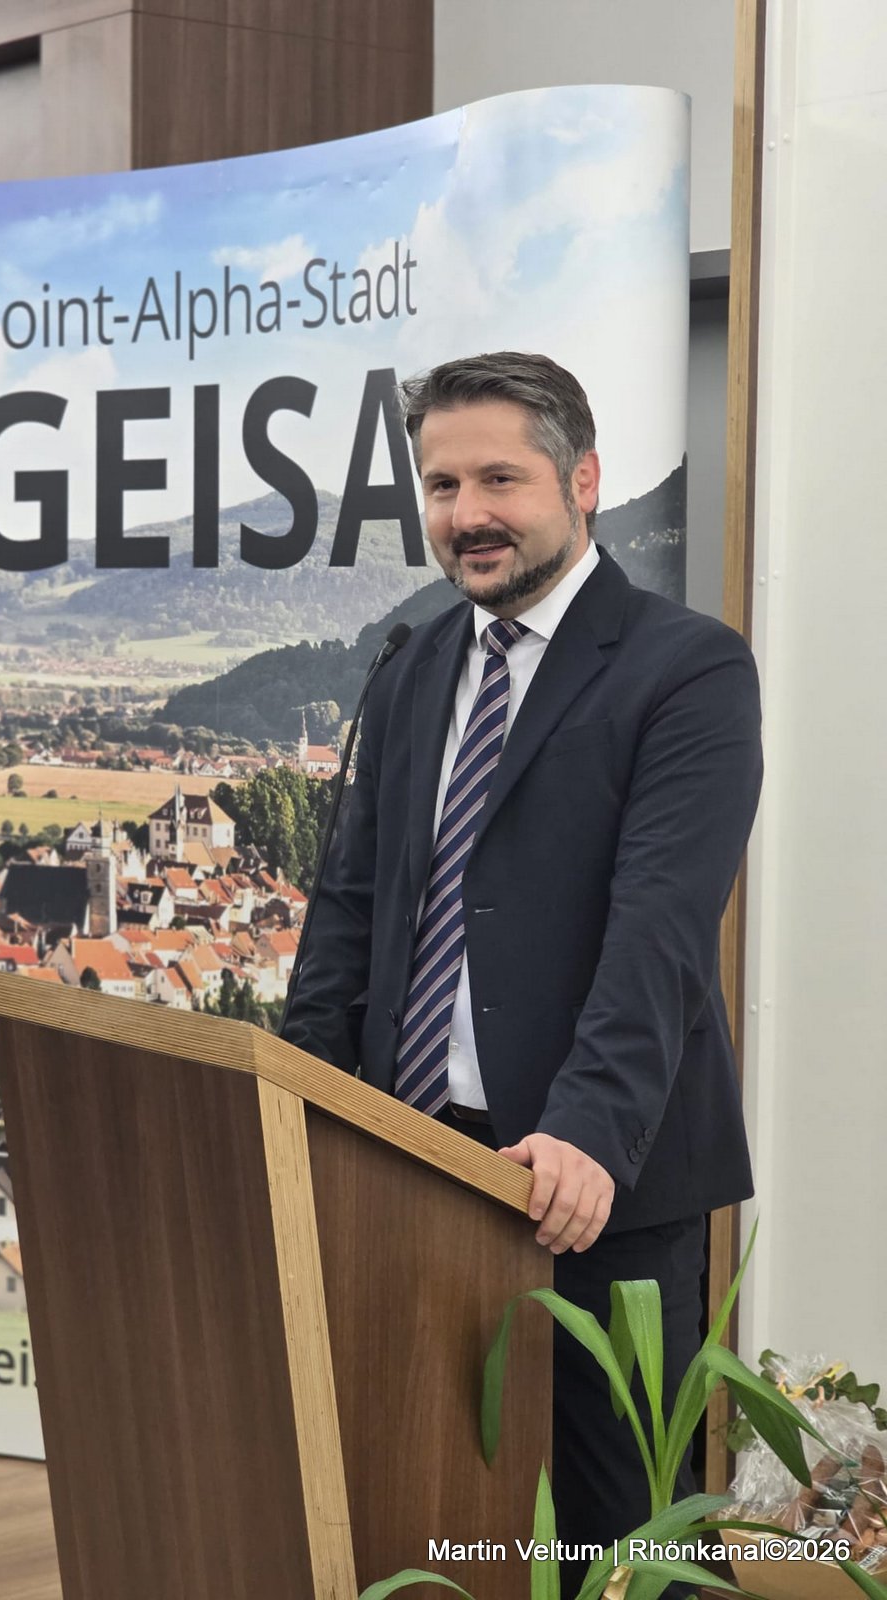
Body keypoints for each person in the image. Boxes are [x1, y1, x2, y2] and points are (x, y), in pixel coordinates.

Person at [282, 351, 761, 1595]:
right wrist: (293, 1100)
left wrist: (586, 1133)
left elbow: (662, 929)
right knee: (434, 1513)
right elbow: (351, 909)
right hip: (412, 1162)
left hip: (593, 1184)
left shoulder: (689, 668)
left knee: (626, 1544)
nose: (467, 514)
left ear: (582, 481)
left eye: (500, 478)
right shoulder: (412, 666)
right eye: (443, 485)